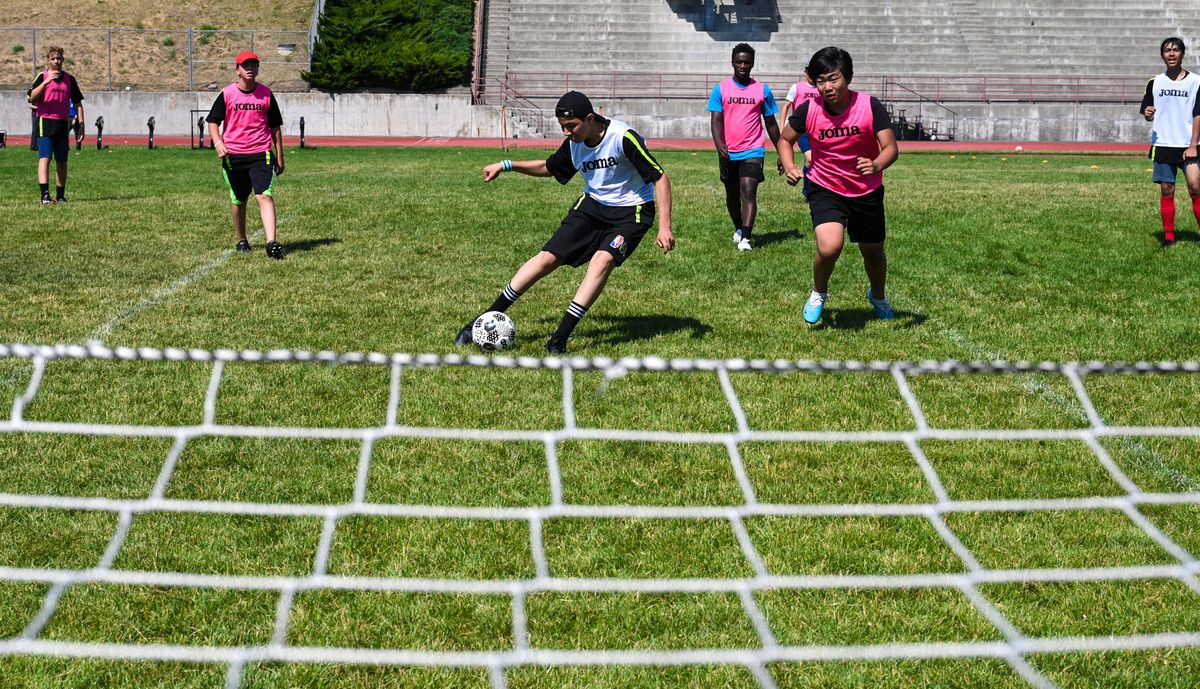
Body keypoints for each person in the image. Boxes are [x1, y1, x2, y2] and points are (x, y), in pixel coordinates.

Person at [454, 91, 675, 354]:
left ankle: (559, 339)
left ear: (590, 118)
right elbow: (550, 167)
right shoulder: (574, 144)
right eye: (563, 127)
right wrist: (507, 164)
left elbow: (659, 177)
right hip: (593, 207)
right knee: (546, 258)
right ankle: (482, 320)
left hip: (632, 212)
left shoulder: (622, 137)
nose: (567, 132)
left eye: (572, 126)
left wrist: (664, 226)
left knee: (602, 260)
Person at [778, 46, 899, 325]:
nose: (828, 87)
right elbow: (785, 139)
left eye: (834, 79)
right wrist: (790, 166)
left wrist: (877, 164)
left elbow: (891, 147)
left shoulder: (869, 105)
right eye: (821, 81)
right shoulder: (809, 109)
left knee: (873, 252)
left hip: (865, 190)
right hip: (825, 187)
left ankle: (877, 296)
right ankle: (819, 292)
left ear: (848, 77)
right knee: (830, 246)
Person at [206, 50, 286, 259]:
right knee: (239, 199)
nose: (250, 69)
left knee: (264, 195)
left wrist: (280, 156)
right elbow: (213, 121)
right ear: (237, 70)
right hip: (234, 155)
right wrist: (218, 143)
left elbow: (275, 127)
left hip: (261, 153)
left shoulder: (266, 94)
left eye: (254, 65)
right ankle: (241, 239)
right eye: (246, 65)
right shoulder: (227, 94)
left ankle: (272, 243)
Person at [708, 43, 782, 251]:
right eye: (739, 61)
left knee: (748, 191)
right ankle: (739, 227)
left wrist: (781, 151)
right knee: (732, 194)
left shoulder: (762, 90)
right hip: (729, 151)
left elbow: (771, 123)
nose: (742, 65)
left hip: (753, 150)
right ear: (732, 62)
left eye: (746, 62)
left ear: (752, 64)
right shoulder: (720, 89)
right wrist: (719, 143)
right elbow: (716, 120)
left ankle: (746, 238)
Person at [1140, 36, 1200, 246]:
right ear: (1162, 55)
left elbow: (1198, 114)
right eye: (1167, 50)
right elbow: (1147, 112)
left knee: (1195, 186)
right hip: (1164, 144)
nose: (1171, 53)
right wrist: (1148, 113)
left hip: (1189, 145)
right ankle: (1168, 237)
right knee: (1167, 189)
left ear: (1182, 54)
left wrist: (1193, 145)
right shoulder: (1155, 82)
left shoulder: (1196, 81)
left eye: (1176, 50)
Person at [27, 46, 84, 205]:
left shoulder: (69, 79)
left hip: (62, 122)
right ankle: (45, 195)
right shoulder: (42, 76)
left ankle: (60, 195)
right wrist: (46, 82)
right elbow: (31, 97)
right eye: (53, 58)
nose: (56, 61)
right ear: (48, 60)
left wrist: (81, 124)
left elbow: (78, 103)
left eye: (59, 58)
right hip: (45, 121)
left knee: (62, 160)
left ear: (63, 60)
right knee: (45, 157)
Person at [780, 64, 820, 196]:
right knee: (810, 159)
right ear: (805, 71)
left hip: (818, 130)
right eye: (809, 71)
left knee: (816, 161)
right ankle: (807, 191)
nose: (811, 74)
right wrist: (783, 126)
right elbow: (786, 106)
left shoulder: (821, 88)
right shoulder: (797, 87)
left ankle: (817, 188)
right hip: (802, 130)